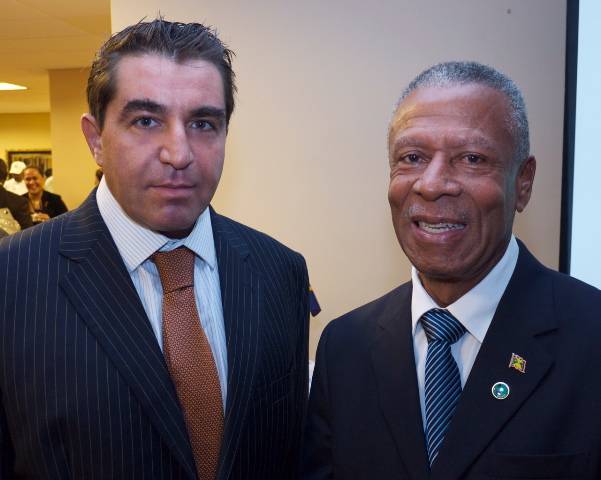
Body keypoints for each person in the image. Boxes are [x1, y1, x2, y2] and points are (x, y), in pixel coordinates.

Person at [0, 19, 310, 479]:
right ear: (95, 139)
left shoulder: (279, 272)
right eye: (146, 121)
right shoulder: (12, 280)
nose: (178, 153)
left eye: (203, 123)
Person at [302, 61, 601, 479]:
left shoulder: (591, 337)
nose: (432, 183)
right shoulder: (345, 348)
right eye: (412, 157)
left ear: (523, 182)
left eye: (472, 158)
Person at [0, 158, 33, 231]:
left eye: (17, 174)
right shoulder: (8, 184)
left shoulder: (20, 202)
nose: (15, 176)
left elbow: (28, 233)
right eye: (14, 174)